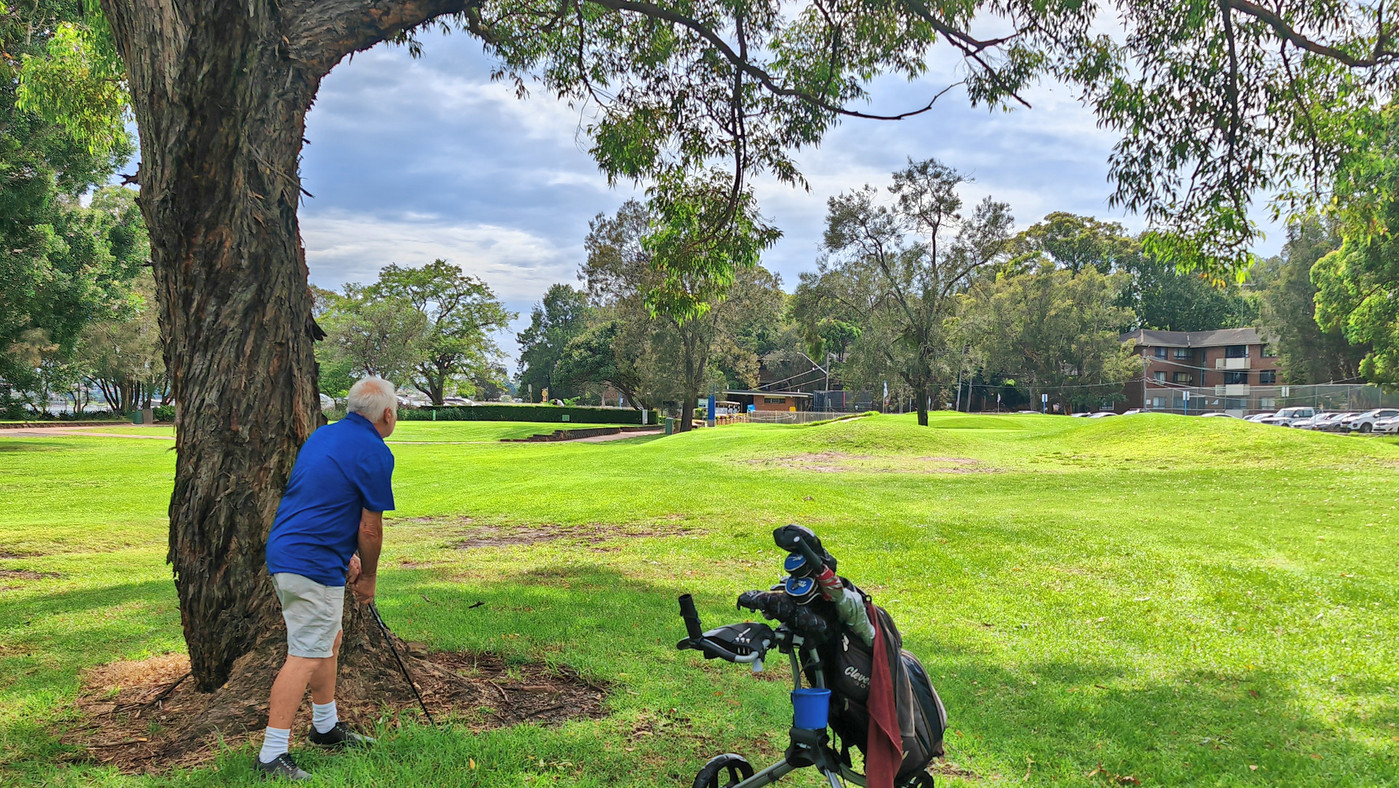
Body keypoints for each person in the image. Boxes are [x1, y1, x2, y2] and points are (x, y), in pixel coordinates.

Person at [254, 377, 398, 780]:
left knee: (327, 641)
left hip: (290, 551)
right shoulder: (375, 451)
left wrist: (346, 555)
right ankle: (271, 754)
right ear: (387, 414)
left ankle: (325, 727)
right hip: (309, 562)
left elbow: (327, 498)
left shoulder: (323, 436)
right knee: (305, 654)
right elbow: (370, 528)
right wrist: (368, 576)